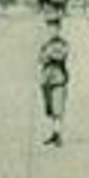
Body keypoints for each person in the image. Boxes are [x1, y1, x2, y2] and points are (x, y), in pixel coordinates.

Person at [38, 16, 71, 146]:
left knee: (58, 107)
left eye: (55, 28)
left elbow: (61, 56)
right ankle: (53, 132)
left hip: (59, 79)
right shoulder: (45, 44)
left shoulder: (63, 43)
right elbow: (40, 58)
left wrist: (49, 55)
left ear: (59, 29)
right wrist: (48, 55)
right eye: (50, 28)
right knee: (50, 108)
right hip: (46, 80)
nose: (52, 31)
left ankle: (58, 134)